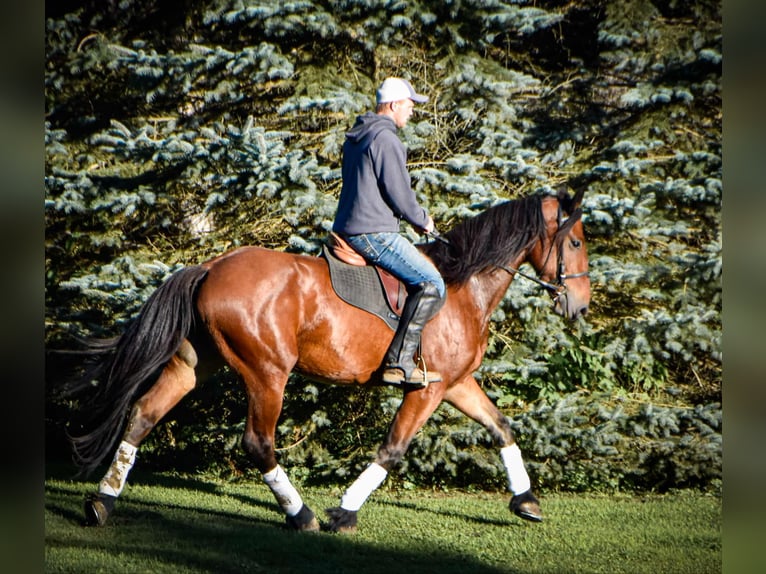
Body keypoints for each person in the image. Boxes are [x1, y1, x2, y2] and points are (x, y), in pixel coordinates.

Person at [332, 77, 446, 388]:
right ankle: (399, 363)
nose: (411, 112)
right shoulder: (386, 139)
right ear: (394, 104)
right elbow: (399, 192)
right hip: (373, 232)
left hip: (347, 227)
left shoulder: (358, 136)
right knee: (433, 283)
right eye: (409, 106)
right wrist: (422, 219)